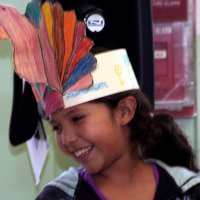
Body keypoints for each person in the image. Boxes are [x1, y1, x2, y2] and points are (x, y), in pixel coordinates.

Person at [0, 1, 200, 200]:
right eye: (57, 127)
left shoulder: (187, 191)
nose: (67, 138)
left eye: (77, 118)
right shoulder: (58, 197)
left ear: (124, 111)